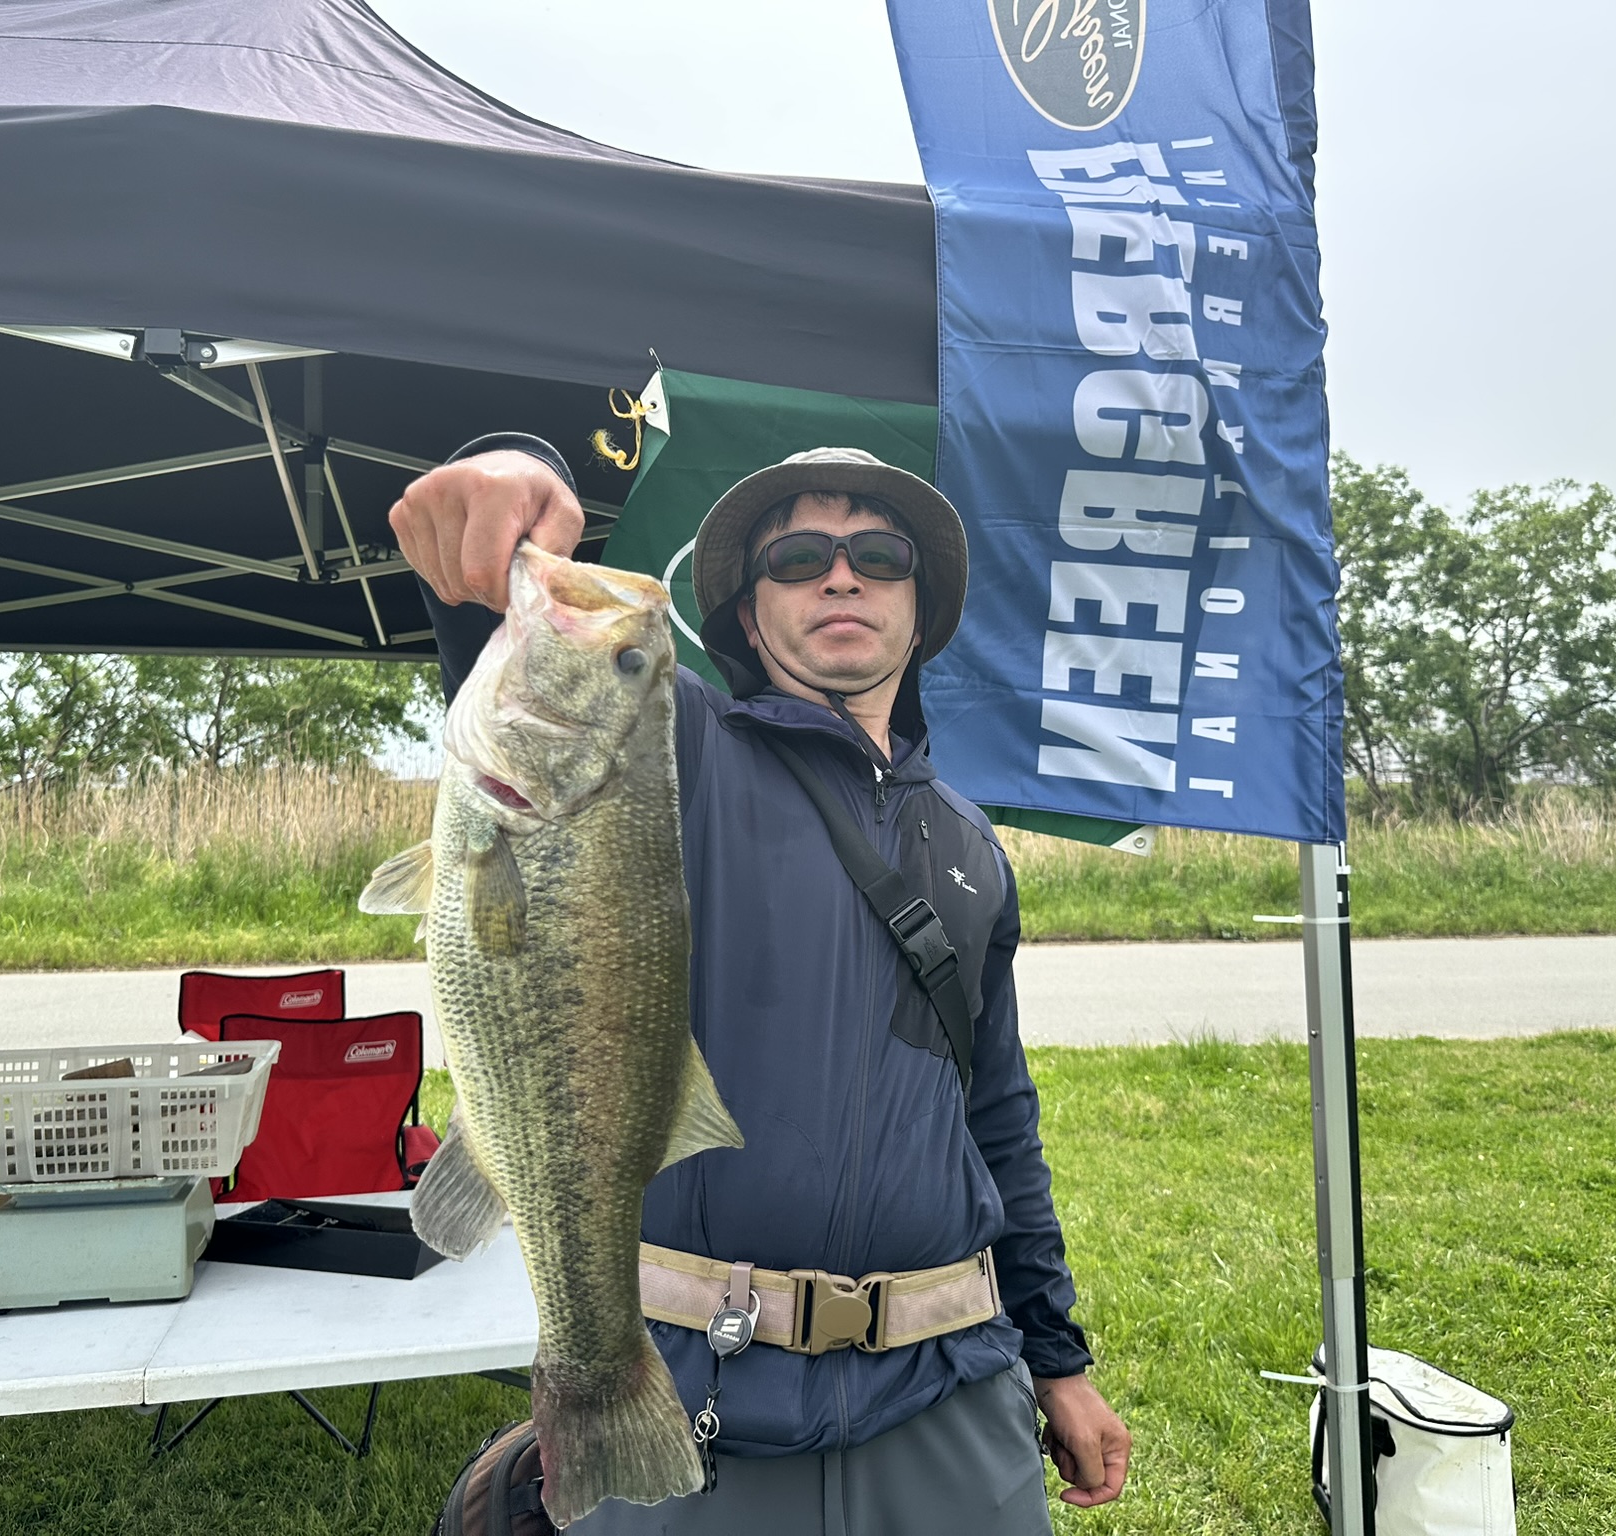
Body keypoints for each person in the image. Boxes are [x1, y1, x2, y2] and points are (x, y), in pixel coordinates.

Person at [391, 434, 1131, 1533]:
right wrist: (512, 472)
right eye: (797, 559)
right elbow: (538, 686)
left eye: (878, 556)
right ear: (746, 614)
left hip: (952, 1387)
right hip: (700, 1389)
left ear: (919, 607)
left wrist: (1056, 1358)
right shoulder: (674, 749)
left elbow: (997, 1120)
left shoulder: (972, 847)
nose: (841, 577)